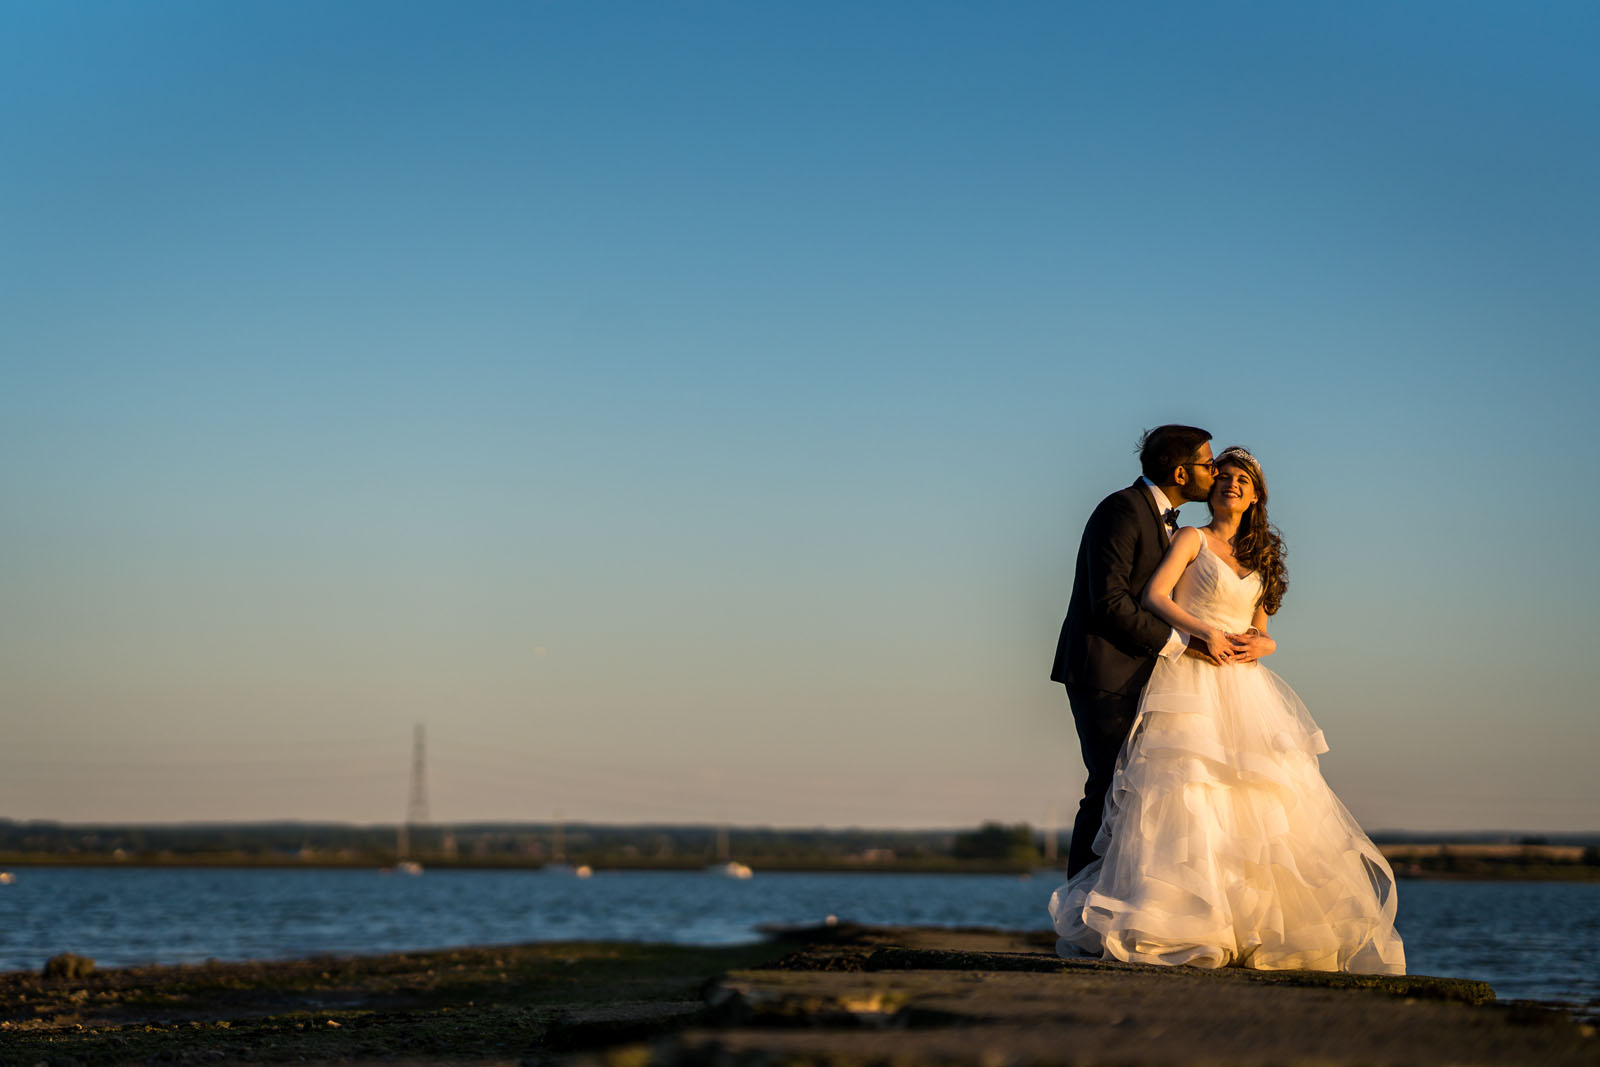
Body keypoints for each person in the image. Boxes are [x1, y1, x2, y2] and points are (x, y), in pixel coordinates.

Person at [1048, 447, 1405, 974]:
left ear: (1256, 494)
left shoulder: (1263, 557)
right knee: (1186, 794)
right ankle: (1182, 922)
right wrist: (1204, 633)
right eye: (1223, 476)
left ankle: (1251, 926)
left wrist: (1264, 646)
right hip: (1190, 679)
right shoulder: (1190, 537)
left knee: (1259, 807)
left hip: (1246, 688)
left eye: (1242, 479)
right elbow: (1154, 596)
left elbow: (1264, 630)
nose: (1230, 483)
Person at [1051, 424, 1217, 878]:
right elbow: (1108, 603)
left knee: (1134, 790)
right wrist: (1179, 643)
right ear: (1181, 473)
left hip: (1140, 675)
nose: (1215, 472)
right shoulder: (1121, 509)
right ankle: (1079, 906)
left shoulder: (1170, 522)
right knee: (1107, 785)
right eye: (1209, 463)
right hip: (1104, 673)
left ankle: (1116, 903)